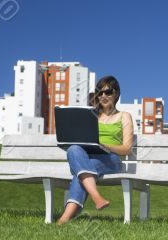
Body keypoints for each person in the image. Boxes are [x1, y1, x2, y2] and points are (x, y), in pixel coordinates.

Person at [57, 76, 134, 225]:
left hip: (112, 159)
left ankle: (64, 218)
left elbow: (127, 148)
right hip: (88, 157)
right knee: (73, 149)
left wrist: (107, 146)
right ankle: (95, 197)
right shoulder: (91, 116)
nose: (103, 96)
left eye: (108, 92)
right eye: (100, 93)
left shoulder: (124, 116)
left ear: (116, 94)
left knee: (81, 172)